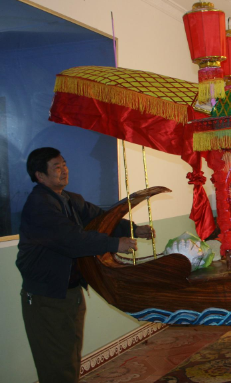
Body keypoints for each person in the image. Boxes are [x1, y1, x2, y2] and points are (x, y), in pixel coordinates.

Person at [16, 147, 154, 383]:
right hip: (47, 298)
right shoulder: (40, 205)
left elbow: (101, 219)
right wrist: (114, 244)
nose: (64, 170)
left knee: (69, 357)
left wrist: (134, 229)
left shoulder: (69, 199)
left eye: (64, 164)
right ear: (40, 176)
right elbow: (71, 239)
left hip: (69, 293)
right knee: (57, 364)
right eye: (56, 167)